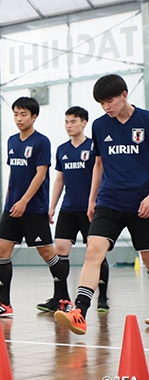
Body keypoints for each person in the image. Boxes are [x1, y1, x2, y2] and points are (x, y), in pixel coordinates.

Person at [55, 75, 149, 334]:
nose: (107, 107)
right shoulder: (99, 125)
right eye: (101, 103)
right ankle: (80, 313)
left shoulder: (146, 120)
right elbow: (99, 163)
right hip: (109, 200)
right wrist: (92, 198)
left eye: (110, 101)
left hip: (142, 203)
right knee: (93, 252)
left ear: (124, 95)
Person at [0, 97, 68, 317]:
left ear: (34, 116)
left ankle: (63, 298)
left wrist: (24, 201)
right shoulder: (12, 141)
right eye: (16, 114)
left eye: (24, 114)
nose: (19, 118)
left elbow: (40, 174)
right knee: (1, 251)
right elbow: (13, 173)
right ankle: (4, 303)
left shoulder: (41, 142)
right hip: (12, 208)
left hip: (33, 208)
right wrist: (10, 199)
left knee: (47, 252)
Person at [38, 106, 109, 313]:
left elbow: (101, 174)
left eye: (73, 122)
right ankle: (60, 297)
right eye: (66, 122)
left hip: (90, 209)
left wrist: (94, 201)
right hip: (68, 209)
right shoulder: (62, 150)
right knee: (59, 251)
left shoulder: (93, 147)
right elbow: (59, 179)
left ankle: (102, 297)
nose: (69, 126)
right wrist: (52, 206)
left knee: (97, 254)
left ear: (84, 123)